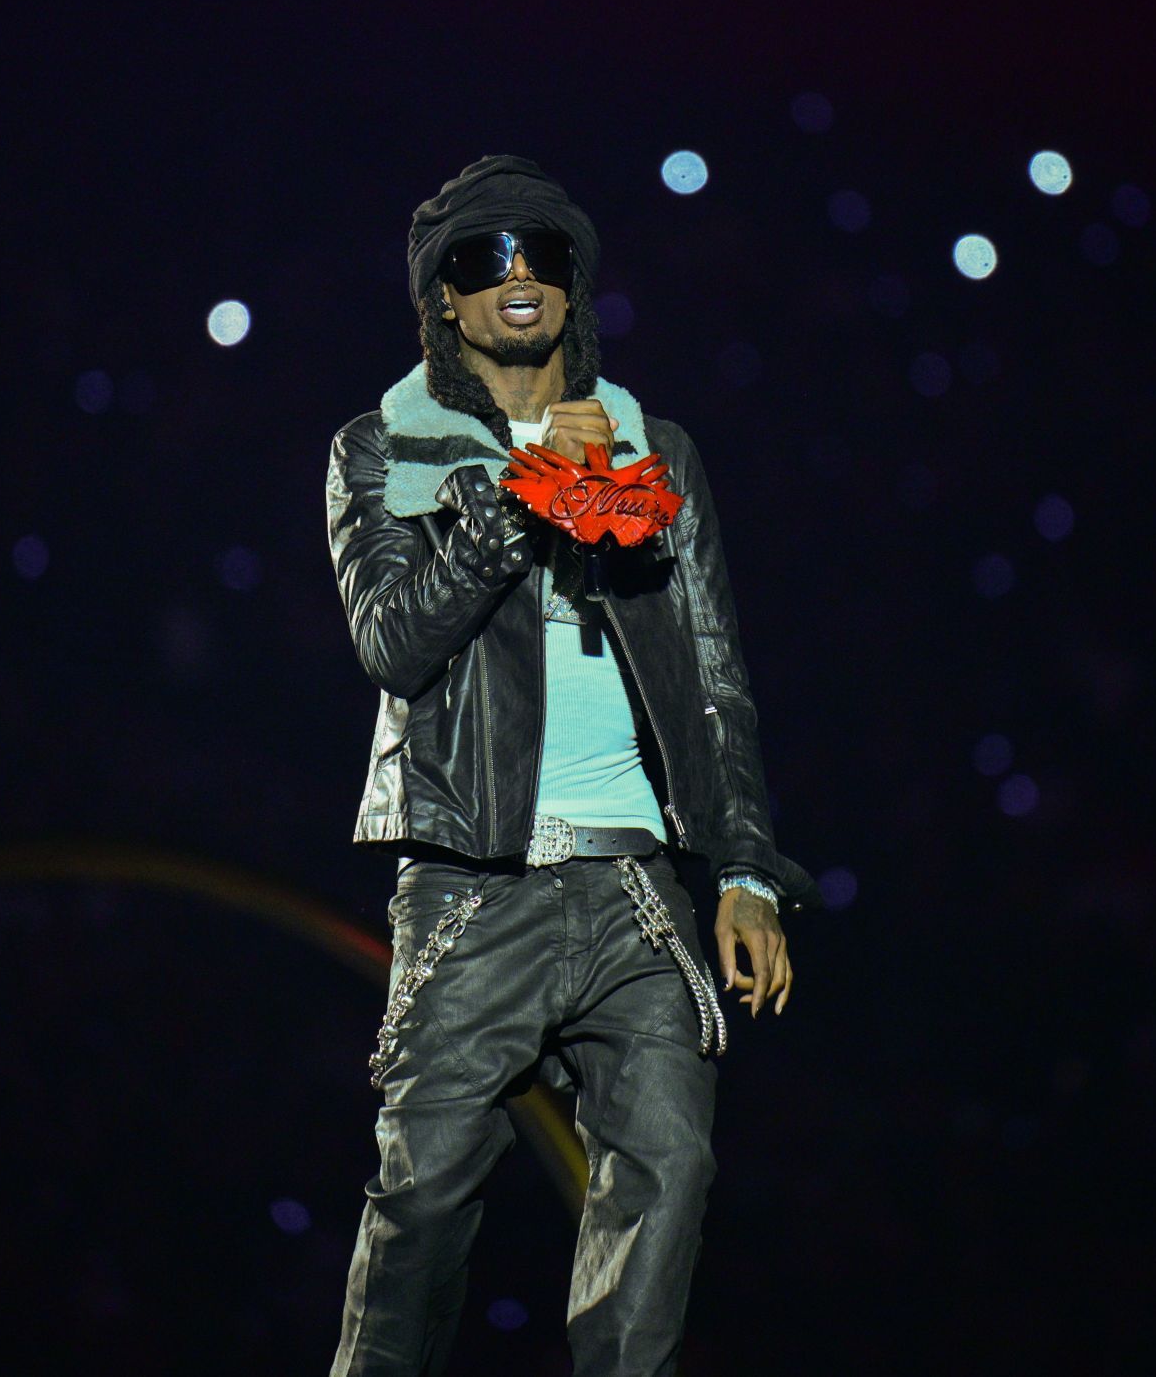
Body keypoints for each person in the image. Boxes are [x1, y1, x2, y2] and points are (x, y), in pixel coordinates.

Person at [322, 154, 823, 1377]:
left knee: (671, 1171)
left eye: (542, 253)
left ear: (574, 280)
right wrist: (524, 497)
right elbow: (392, 642)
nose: (519, 278)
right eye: (483, 260)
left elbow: (714, 674)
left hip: (632, 887)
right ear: (442, 296)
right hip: (473, 887)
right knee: (425, 1197)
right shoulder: (384, 449)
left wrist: (747, 870)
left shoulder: (656, 452)